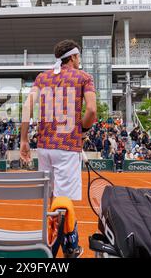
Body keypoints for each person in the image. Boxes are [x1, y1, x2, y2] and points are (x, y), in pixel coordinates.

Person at [20, 40, 96, 258]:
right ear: (72, 57)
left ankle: (64, 243)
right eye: (78, 56)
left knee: (54, 198)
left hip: (44, 147)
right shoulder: (84, 77)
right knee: (63, 201)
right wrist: (81, 130)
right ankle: (64, 248)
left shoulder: (42, 77)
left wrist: (24, 140)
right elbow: (91, 110)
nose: (79, 60)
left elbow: (27, 107)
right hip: (67, 146)